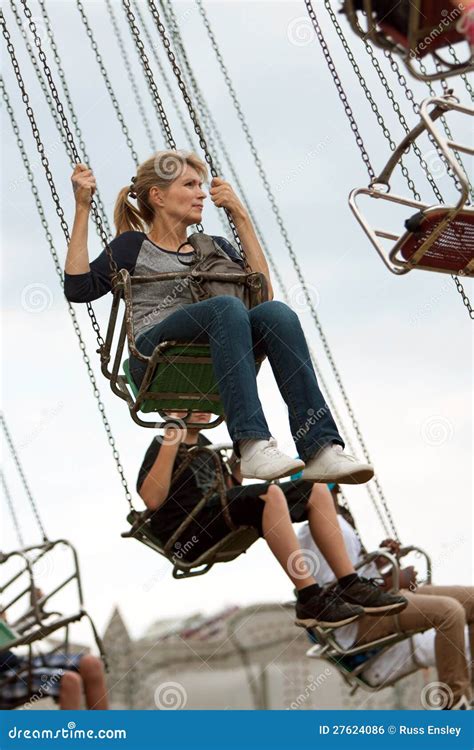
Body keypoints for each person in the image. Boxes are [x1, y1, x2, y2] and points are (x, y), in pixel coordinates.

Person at [64, 149, 374, 485]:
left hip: (213, 344)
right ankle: (251, 442)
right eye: (190, 185)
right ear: (158, 196)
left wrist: (240, 217)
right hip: (156, 355)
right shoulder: (133, 246)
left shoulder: (213, 246)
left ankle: (320, 448)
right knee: (225, 308)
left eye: (201, 184)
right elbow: (78, 288)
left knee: (277, 313)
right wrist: (82, 207)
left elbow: (260, 295)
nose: (201, 193)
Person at [137, 411, 406, 629]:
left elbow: (230, 490)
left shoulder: (207, 447)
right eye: (194, 404)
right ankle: (309, 597)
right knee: (271, 494)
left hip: (216, 517)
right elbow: (151, 498)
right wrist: (172, 436)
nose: (204, 411)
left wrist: (237, 462)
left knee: (315, 488)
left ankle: (350, 583)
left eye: (206, 404)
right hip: (187, 533)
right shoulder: (163, 445)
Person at [298, 486, 473, 710]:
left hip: (376, 603)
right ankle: (456, 705)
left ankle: (469, 690)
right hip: (359, 622)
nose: (341, 489)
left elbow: (349, 575)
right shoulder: (323, 528)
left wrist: (380, 565)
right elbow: (335, 594)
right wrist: (392, 582)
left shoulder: (335, 522)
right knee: (449, 612)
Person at [0, 606, 108, 710]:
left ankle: (102, 727)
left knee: (91, 663)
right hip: (3, 676)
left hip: (18, 662)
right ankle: (69, 728)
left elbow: (12, 633)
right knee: (70, 681)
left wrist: (33, 610)